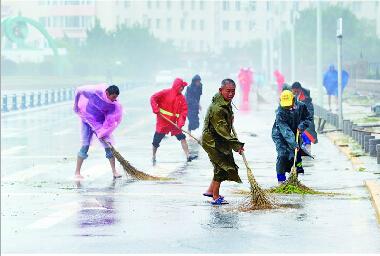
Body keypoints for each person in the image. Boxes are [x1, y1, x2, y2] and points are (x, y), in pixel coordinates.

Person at [202, 79, 245, 205]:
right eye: (228, 91)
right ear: (221, 90)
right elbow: (222, 131)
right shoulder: (217, 108)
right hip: (212, 141)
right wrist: (237, 145)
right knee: (222, 165)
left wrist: (230, 121)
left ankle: (211, 191)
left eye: (233, 91)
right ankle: (215, 197)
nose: (231, 94)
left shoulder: (225, 102)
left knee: (221, 164)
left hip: (219, 138)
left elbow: (225, 126)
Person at [73, 84, 123, 180]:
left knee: (108, 145)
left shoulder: (114, 105)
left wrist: (102, 132)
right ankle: (77, 172)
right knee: (85, 145)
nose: (114, 100)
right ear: (107, 93)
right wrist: (75, 105)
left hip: (99, 123)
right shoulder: (95, 92)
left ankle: (114, 171)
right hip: (86, 118)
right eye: (113, 97)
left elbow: (110, 122)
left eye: (116, 98)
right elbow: (79, 90)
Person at [150, 78, 196, 163]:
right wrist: (155, 109)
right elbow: (153, 98)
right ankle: (153, 156)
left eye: (183, 87)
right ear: (176, 86)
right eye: (181, 87)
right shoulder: (165, 92)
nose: (182, 89)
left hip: (174, 124)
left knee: (182, 137)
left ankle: (188, 156)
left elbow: (183, 112)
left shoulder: (182, 98)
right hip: (163, 122)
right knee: (156, 141)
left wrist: (180, 123)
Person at [271, 90, 312, 184]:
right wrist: (293, 143)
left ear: (293, 100)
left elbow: (308, 117)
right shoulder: (280, 112)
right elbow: (285, 130)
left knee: (294, 155)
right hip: (280, 134)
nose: (287, 107)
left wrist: (302, 125)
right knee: (282, 155)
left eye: (289, 104)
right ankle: (281, 180)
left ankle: (293, 178)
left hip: (296, 131)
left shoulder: (301, 106)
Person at [291, 82, 318, 152]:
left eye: (294, 91)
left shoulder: (305, 99)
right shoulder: (294, 97)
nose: (293, 92)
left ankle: (307, 146)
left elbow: (309, 111)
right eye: (293, 91)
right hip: (298, 120)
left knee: (306, 132)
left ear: (298, 90)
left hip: (306, 120)